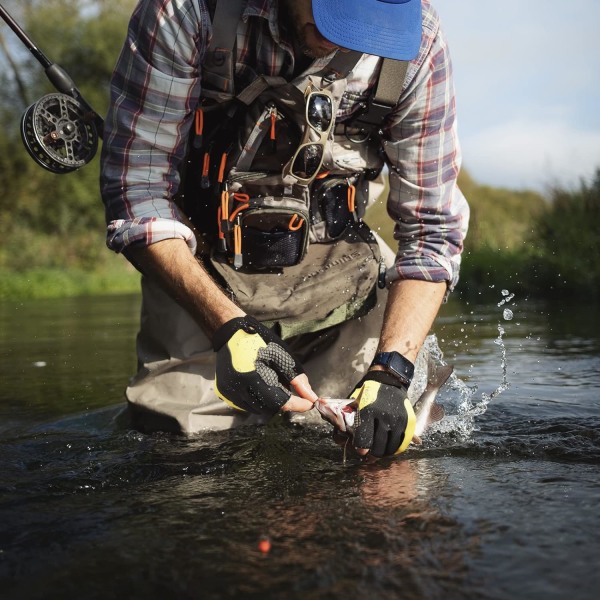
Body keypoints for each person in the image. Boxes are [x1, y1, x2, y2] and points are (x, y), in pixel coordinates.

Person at [100, 0, 469, 457]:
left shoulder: (420, 40)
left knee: (384, 461)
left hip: (346, 273)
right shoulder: (186, 11)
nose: (346, 39)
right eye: (337, 15)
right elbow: (139, 193)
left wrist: (392, 372)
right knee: (183, 466)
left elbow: (431, 230)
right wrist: (228, 329)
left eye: (371, 27)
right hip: (198, 268)